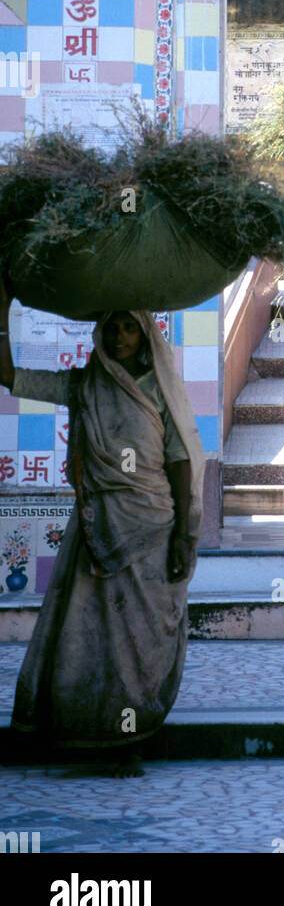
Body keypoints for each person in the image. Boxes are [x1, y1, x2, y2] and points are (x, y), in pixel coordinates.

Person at [0, 281, 204, 776]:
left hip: (152, 527)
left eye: (128, 328)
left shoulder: (159, 387)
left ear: (145, 333)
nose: (118, 337)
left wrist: (182, 535)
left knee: (141, 639)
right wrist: (2, 310)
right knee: (88, 635)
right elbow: (11, 377)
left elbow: (179, 459)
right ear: (99, 333)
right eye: (111, 328)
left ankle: (128, 738)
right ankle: (84, 734)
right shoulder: (84, 384)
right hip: (96, 528)